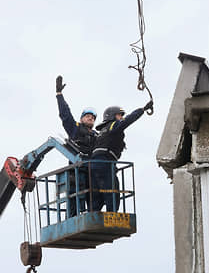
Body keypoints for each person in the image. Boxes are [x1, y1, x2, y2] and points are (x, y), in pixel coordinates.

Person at [88, 100, 153, 212]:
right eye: (119, 115)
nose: (121, 117)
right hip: (105, 162)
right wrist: (142, 110)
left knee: (97, 192)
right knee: (112, 190)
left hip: (94, 164)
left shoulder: (102, 131)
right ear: (112, 116)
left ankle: (92, 215)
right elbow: (128, 120)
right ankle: (112, 215)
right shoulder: (113, 125)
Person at [55, 75, 98, 214]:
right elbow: (65, 115)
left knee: (94, 194)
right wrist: (59, 95)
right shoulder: (75, 129)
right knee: (75, 196)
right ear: (81, 119)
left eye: (92, 118)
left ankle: (91, 213)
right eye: (87, 116)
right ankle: (75, 216)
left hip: (91, 170)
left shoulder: (96, 136)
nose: (90, 118)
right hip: (77, 170)